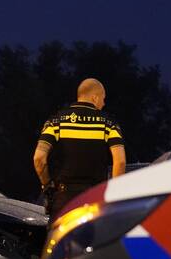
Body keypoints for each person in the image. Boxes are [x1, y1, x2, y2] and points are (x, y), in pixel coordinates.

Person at [33, 78, 126, 222]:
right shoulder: (109, 124)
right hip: (95, 200)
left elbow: (39, 159)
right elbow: (120, 162)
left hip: (63, 200)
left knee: (61, 243)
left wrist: (47, 186)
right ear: (94, 98)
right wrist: (113, 195)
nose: (103, 103)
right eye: (103, 99)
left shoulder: (56, 121)